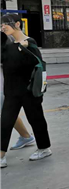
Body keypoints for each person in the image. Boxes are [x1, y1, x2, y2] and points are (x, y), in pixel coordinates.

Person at [1, 14, 52, 168]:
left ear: (17, 24)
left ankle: (44, 148)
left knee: (36, 119)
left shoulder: (30, 42)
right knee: (5, 122)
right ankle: (1, 155)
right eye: (1, 25)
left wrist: (23, 49)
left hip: (29, 90)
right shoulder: (6, 44)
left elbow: (37, 63)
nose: (3, 27)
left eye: (6, 24)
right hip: (11, 91)